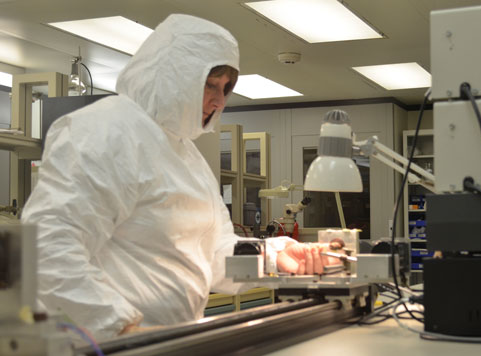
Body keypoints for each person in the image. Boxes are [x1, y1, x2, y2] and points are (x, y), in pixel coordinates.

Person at [22, 14, 333, 340]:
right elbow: (46, 249)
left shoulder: (188, 157)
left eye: (226, 88)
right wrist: (122, 327)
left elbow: (213, 253)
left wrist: (272, 256)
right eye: (209, 84)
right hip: (109, 342)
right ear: (171, 75)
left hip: (172, 340)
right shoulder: (104, 130)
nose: (218, 100)